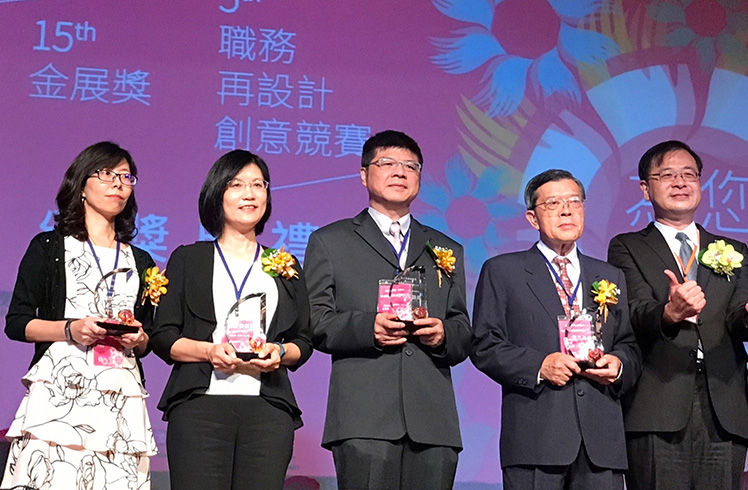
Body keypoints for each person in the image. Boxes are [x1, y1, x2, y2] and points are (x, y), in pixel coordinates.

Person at [304, 130, 472, 490]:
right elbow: (315, 322)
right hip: (364, 419)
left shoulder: (446, 247)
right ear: (364, 175)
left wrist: (443, 334)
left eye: (411, 166)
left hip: (433, 421)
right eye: (388, 163)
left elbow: (462, 329)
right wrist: (370, 329)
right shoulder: (330, 241)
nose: (400, 172)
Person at [150, 150, 313, 490]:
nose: (249, 194)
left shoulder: (284, 265)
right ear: (217, 194)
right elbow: (163, 336)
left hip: (268, 411)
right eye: (236, 185)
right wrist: (209, 351)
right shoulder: (189, 259)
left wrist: (280, 352)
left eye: (258, 185)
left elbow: (303, 340)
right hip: (200, 409)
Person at [471, 169, 641, 490]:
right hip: (536, 437)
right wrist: (540, 365)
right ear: (532, 219)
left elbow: (629, 344)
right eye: (553, 204)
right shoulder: (503, 271)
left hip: (600, 441)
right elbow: (484, 345)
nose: (566, 210)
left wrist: (618, 365)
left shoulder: (609, 275)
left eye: (574, 201)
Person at [2, 141, 157, 489]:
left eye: (126, 177)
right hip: (60, 394)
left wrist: (138, 337)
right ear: (81, 186)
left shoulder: (141, 260)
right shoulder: (49, 247)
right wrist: (70, 329)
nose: (118, 184)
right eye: (106, 174)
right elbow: (17, 323)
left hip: (120, 395)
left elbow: (149, 338)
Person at [608, 140, 748, 490]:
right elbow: (634, 312)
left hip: (724, 403)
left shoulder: (735, 250)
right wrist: (670, 313)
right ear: (645, 189)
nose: (680, 182)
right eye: (667, 175)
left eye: (689, 174)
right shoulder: (628, 246)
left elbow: (738, 319)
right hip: (657, 402)